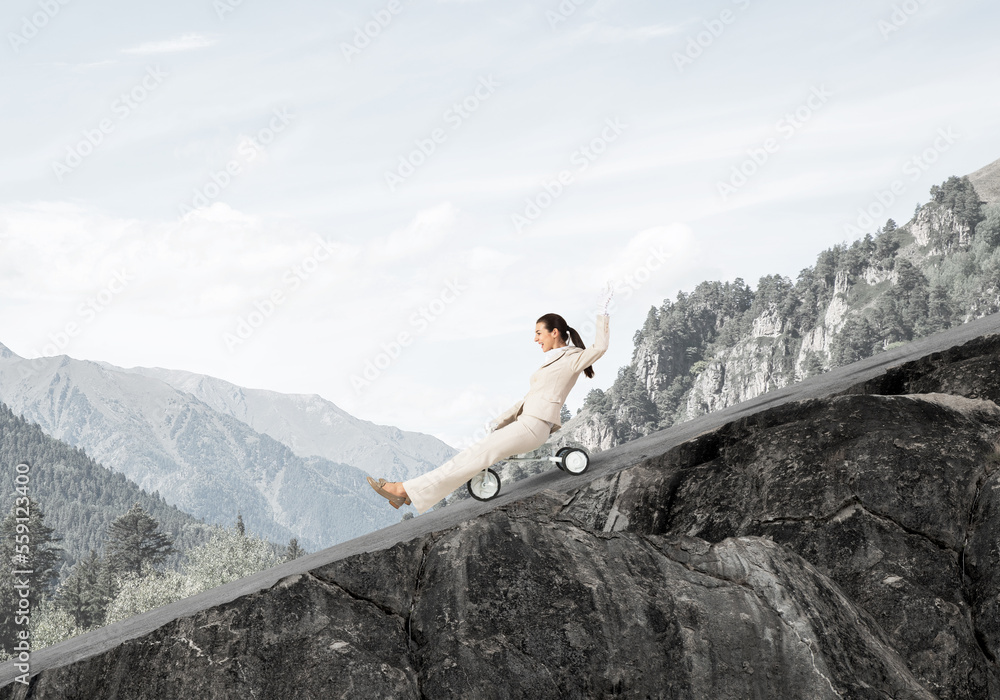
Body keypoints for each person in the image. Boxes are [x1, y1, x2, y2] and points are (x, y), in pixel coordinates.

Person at [367, 283, 614, 514]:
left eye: (539, 333)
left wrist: (602, 312)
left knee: (477, 455)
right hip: (525, 424)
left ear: (555, 333)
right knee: (472, 453)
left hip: (534, 427)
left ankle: (404, 490)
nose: (535, 339)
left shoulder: (572, 358)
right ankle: (409, 494)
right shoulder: (549, 363)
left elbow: (600, 349)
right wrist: (500, 421)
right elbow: (526, 400)